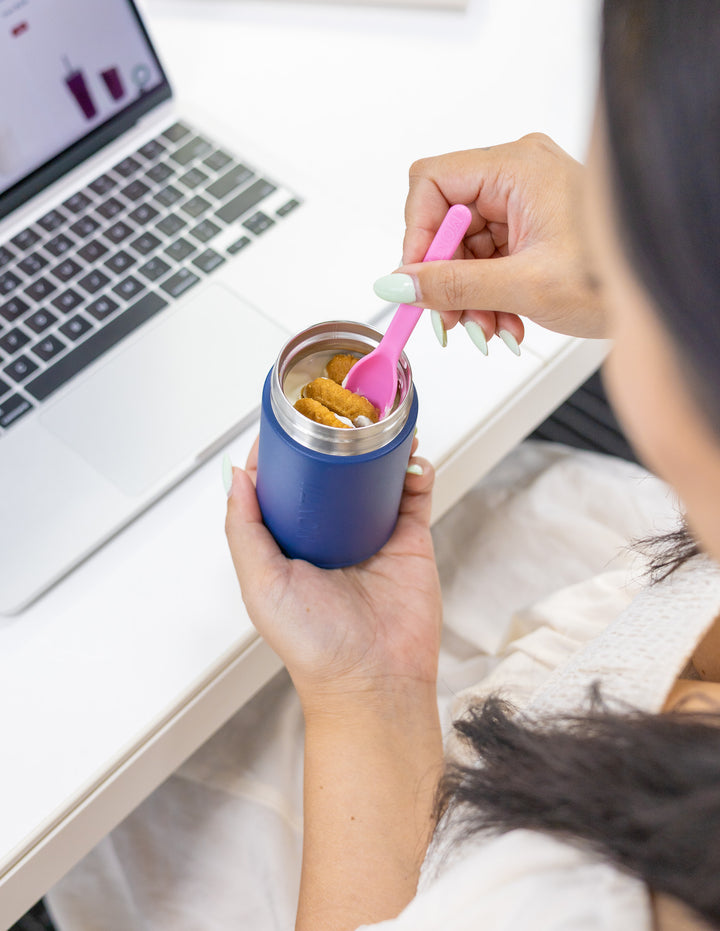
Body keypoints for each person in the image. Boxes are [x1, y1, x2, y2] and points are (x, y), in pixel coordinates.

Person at [46, 1, 720, 929]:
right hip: (585, 625)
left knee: (115, 799)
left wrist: (365, 688)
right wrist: (622, 267)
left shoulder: (564, 904)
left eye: (619, 211)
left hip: (433, 803)